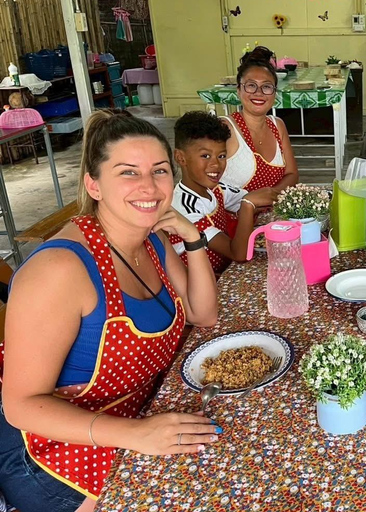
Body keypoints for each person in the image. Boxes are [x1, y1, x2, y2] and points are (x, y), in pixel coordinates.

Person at [0, 110, 221, 512]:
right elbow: (21, 405)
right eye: (128, 173)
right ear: (93, 185)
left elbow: (203, 315)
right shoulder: (60, 269)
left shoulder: (150, 242)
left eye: (159, 171)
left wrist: (192, 237)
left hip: (135, 418)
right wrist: (135, 435)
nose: (149, 186)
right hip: (50, 455)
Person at [170, 111, 274, 273]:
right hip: (202, 287)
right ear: (180, 158)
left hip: (226, 272)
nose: (216, 165)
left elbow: (254, 199)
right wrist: (247, 205)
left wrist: (257, 200)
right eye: (205, 156)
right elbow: (238, 254)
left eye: (221, 155)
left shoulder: (216, 190)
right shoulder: (185, 209)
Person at [221, 46, 298, 197]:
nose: (259, 93)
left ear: (274, 93)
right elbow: (202, 181)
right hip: (233, 218)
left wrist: (270, 195)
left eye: (266, 87)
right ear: (238, 90)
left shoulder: (277, 125)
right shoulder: (225, 128)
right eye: (251, 85)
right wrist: (250, 203)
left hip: (272, 216)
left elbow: (292, 174)